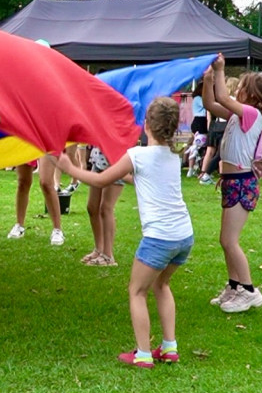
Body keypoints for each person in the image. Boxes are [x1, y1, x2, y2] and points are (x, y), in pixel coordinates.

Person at [55, 97, 192, 369]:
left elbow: (100, 180)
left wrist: (70, 168)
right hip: (183, 236)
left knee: (137, 291)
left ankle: (142, 354)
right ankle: (169, 348)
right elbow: (142, 177)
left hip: (159, 238)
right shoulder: (173, 157)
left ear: (146, 126)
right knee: (161, 285)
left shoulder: (137, 155)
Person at [202, 54, 262, 313]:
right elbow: (211, 102)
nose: (236, 91)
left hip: (241, 183)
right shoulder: (238, 116)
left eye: (241, 89)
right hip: (232, 182)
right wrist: (207, 81)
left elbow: (223, 98)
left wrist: (220, 69)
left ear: (254, 97)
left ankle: (250, 291)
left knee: (229, 240)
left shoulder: (251, 114)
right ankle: (234, 286)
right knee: (225, 239)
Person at [81, 147, 124, 266]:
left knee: (105, 208)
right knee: (92, 207)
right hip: (98, 158)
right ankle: (99, 249)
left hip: (116, 161)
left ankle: (108, 255)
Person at [199, 76, 240, 185]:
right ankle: (207, 174)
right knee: (222, 153)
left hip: (216, 125)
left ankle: (206, 173)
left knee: (214, 151)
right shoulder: (233, 101)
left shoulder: (222, 99)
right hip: (226, 127)